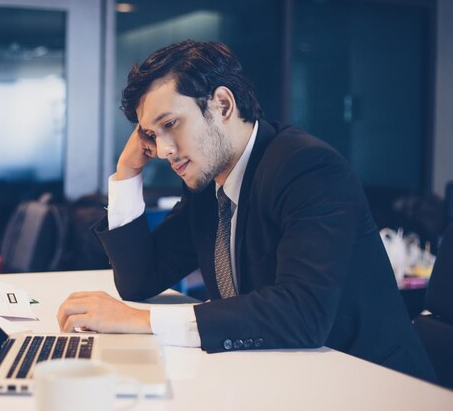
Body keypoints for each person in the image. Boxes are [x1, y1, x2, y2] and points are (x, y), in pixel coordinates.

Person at [57, 40, 436, 382]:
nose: (165, 149)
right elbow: (140, 279)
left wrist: (144, 322)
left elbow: (301, 313)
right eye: (152, 135)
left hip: (373, 384)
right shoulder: (209, 186)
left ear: (222, 104)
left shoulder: (307, 167)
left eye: (171, 124)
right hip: (281, 377)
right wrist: (127, 172)